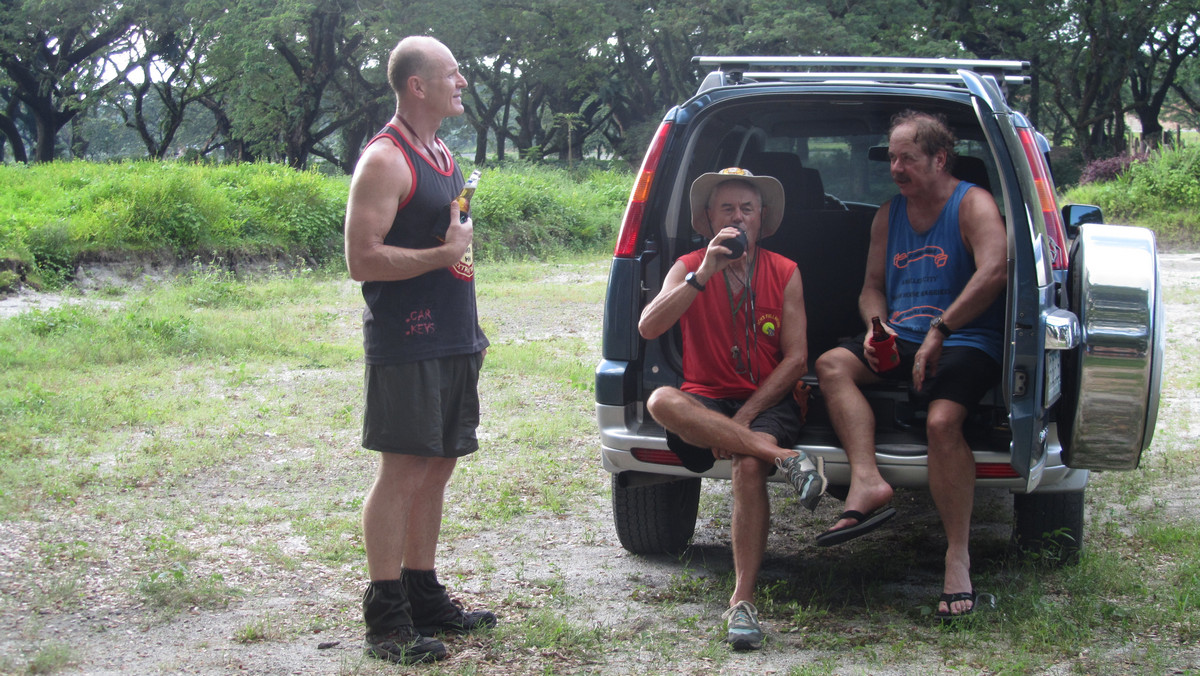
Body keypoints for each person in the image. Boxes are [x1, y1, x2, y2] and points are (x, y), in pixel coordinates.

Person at [813, 110, 1007, 620]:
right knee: (832, 364)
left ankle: (957, 556)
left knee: (943, 423)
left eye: (908, 158)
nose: (896, 168)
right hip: (904, 337)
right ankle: (867, 480)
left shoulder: (973, 203)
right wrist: (877, 328)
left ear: (939, 159)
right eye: (892, 158)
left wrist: (941, 330)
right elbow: (872, 287)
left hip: (966, 337)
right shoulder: (888, 214)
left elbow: (995, 271)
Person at [343, 35, 496, 664]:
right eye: (453, 73)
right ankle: (386, 620)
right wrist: (442, 254)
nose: (463, 82)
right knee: (403, 471)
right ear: (418, 85)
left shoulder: (441, 152)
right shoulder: (386, 159)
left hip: (454, 336)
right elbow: (361, 259)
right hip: (407, 343)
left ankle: (422, 592)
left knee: (438, 466)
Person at [638, 167, 827, 650]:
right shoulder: (688, 266)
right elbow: (648, 327)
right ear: (708, 219)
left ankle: (741, 602)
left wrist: (740, 421)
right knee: (660, 400)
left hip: (768, 398)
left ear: (762, 219)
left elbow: (796, 360)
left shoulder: (785, 271)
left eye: (747, 209)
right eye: (727, 208)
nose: (738, 217)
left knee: (747, 464)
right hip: (704, 395)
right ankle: (788, 460)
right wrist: (703, 274)